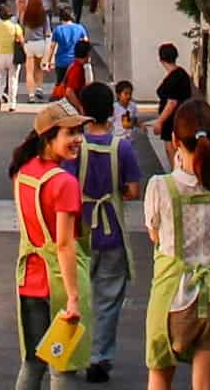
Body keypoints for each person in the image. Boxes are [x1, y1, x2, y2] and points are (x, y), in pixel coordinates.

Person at [144, 99, 210, 390]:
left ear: (175, 140)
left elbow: (155, 237)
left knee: (159, 378)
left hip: (171, 298)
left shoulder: (159, 187)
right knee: (205, 384)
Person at [10, 102, 94, 389]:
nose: (78, 139)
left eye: (79, 131)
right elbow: (64, 244)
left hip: (28, 279)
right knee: (62, 368)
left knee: (33, 364)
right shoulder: (64, 183)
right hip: (57, 283)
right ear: (49, 137)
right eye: (70, 132)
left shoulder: (22, 172)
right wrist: (73, 296)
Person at [69, 82, 142, 383]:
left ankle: (76, 351)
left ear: (83, 111)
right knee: (108, 298)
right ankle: (100, 357)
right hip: (111, 228)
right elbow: (134, 190)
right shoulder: (121, 147)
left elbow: (65, 187)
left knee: (79, 295)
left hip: (79, 230)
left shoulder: (76, 147)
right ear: (111, 110)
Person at [154, 44, 194, 139]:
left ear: (161, 59)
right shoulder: (181, 73)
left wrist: (160, 121)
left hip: (172, 120)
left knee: (171, 149)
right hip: (182, 117)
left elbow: (172, 102)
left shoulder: (173, 78)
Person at [22, 0, 53, 103]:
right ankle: (39, 88)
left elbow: (22, 29)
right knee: (39, 68)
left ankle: (31, 95)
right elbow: (48, 32)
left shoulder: (25, 15)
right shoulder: (44, 16)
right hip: (40, 43)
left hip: (29, 44)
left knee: (29, 71)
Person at [0, 4, 25, 111]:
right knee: (13, 79)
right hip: (12, 56)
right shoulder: (15, 27)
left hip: (0, 55)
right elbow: (21, 41)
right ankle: (12, 104)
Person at [50, 10, 88, 90]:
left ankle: (58, 97)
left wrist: (49, 61)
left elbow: (52, 47)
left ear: (61, 18)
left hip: (61, 61)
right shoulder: (80, 27)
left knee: (60, 82)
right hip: (76, 61)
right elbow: (86, 43)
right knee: (76, 83)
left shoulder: (58, 29)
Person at [54, 40, 94, 112]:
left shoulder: (76, 65)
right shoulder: (77, 69)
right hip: (71, 107)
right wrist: (80, 107)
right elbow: (69, 91)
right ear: (87, 54)